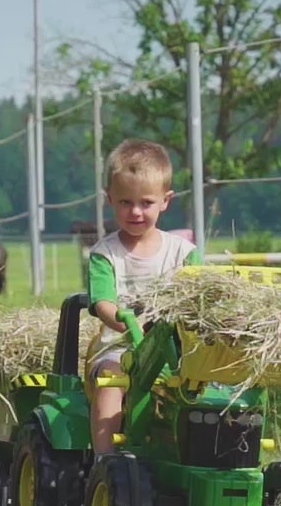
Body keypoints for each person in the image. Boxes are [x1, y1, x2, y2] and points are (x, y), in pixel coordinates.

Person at [85, 139, 200, 454]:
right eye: (125, 202)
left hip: (177, 354)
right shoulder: (104, 254)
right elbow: (103, 303)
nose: (135, 212)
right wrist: (124, 321)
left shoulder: (184, 254)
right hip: (121, 350)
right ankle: (105, 461)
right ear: (110, 199)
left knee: (211, 386)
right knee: (111, 383)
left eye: (146, 203)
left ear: (166, 200)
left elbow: (199, 300)